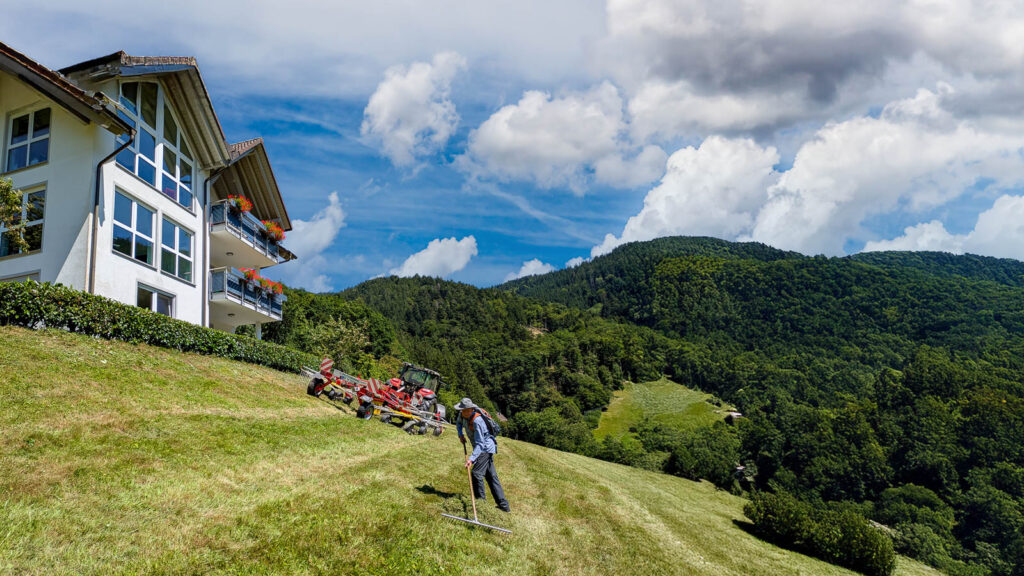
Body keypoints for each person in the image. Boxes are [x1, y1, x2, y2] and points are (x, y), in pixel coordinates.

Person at [455, 397, 510, 513]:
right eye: (462, 410)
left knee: (476, 474)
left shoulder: (477, 421)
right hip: (481, 447)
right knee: (491, 477)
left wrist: (471, 459)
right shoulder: (462, 415)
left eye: (466, 410)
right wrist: (460, 434)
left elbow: (480, 444)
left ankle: (481, 506)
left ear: (471, 409)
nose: (463, 412)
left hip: (485, 448)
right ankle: (504, 506)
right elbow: (458, 423)